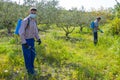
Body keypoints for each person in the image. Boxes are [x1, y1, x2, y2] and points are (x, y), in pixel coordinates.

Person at [19, 7, 41, 75]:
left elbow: (36, 31)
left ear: (36, 13)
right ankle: (30, 72)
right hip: (26, 41)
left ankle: (31, 69)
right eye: (32, 12)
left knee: (32, 55)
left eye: (34, 13)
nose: (33, 14)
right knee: (27, 56)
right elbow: (21, 32)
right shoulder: (26, 20)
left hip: (32, 40)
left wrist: (38, 38)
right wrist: (24, 42)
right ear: (29, 12)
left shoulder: (34, 21)